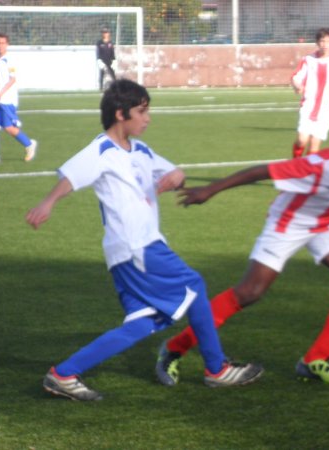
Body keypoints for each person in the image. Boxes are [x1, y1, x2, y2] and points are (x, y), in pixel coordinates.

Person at [26, 79, 263, 401]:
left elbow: (174, 173)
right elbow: (71, 177)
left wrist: (177, 176)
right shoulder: (102, 150)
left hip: (134, 249)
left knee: (144, 323)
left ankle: (64, 374)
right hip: (136, 246)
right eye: (142, 111)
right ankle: (216, 369)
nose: (147, 118)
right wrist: (48, 202)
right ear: (120, 113)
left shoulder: (141, 151)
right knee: (194, 286)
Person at [156, 119, 329, 386]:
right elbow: (263, 171)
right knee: (250, 292)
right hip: (287, 225)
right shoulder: (321, 166)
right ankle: (174, 348)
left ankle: (314, 360)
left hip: (327, 224)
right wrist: (211, 190)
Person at [290, 28, 329, 159]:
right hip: (308, 106)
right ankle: (296, 163)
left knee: (314, 146)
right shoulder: (308, 60)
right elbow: (295, 78)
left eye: (328, 41)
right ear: (317, 43)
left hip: (327, 109)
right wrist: (297, 85)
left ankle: (305, 169)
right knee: (301, 140)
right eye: (322, 41)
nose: (325, 44)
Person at [0, 33, 37, 165]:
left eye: (3, 43)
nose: (0, 45)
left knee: (9, 128)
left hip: (7, 100)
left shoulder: (9, 60)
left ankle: (29, 144)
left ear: (7, 44)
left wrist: (1, 92)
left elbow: (12, 79)